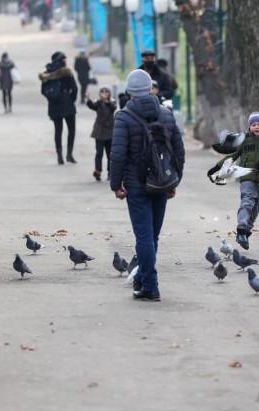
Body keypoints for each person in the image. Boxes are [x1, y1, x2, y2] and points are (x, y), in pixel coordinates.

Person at [109, 69, 185, 302]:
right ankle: (142, 279)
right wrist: (174, 181)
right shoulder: (166, 115)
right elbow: (178, 152)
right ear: (151, 89)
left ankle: (150, 286)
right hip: (161, 183)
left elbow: (118, 155)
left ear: (129, 91)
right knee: (152, 236)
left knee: (143, 236)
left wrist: (116, 185)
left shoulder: (124, 117)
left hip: (136, 185)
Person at [206, 112, 259, 250]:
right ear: (249, 127)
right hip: (246, 179)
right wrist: (216, 167)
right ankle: (241, 229)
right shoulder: (244, 140)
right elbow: (232, 156)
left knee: (257, 206)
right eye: (253, 125)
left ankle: (246, 231)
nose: (256, 127)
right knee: (248, 201)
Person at [38, 51, 78, 165]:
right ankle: (69, 154)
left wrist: (52, 98)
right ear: (62, 60)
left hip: (54, 105)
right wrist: (71, 99)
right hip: (67, 104)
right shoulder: (66, 72)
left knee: (58, 130)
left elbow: (43, 91)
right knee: (71, 129)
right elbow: (74, 88)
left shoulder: (46, 73)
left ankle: (59, 156)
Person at [85, 85, 116, 181]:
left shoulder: (112, 102)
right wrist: (89, 100)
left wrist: (107, 102)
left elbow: (113, 107)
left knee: (110, 154)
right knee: (99, 153)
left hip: (110, 132)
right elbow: (91, 106)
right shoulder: (98, 103)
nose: (104, 94)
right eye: (102, 92)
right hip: (99, 132)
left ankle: (110, 172)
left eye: (106, 92)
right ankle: (98, 170)